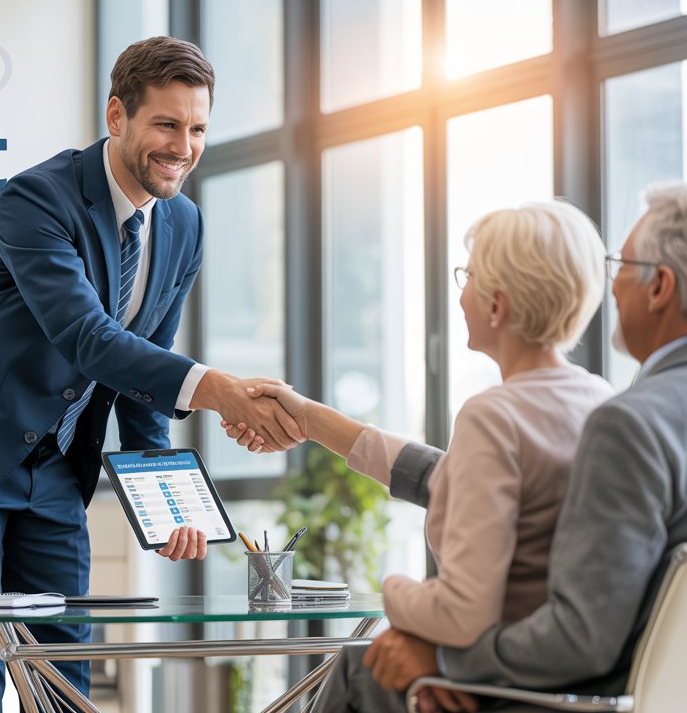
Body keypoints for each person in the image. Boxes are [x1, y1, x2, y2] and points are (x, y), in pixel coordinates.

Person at [0, 36, 299, 713]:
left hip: (57, 466)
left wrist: (165, 497)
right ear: (117, 115)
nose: (183, 146)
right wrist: (220, 391)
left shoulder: (183, 224)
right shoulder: (38, 197)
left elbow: (146, 359)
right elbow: (88, 338)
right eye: (166, 124)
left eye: (197, 129)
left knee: (64, 671)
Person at [331, 181, 687, 712]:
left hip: (581, 697)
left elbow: (581, 637)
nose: (611, 286)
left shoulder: (630, 423)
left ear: (660, 287)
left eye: (621, 265)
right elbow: (484, 482)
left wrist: (444, 661)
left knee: (359, 670)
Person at [226, 201, 614, 712]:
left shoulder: (492, 415)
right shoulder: (600, 399)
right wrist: (311, 418)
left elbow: (462, 612)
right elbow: (438, 475)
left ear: (497, 305)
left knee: (359, 665)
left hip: (499, 684)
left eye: (468, 276)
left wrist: (390, 590)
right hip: (561, 678)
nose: (461, 291)